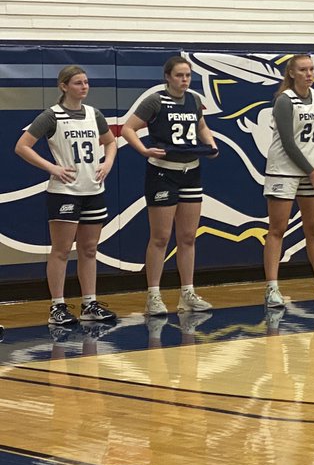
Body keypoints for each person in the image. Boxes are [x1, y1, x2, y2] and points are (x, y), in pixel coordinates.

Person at [15, 65, 118, 326]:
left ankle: (89, 303)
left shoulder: (94, 114)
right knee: (61, 251)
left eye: (86, 82)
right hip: (64, 192)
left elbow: (111, 142)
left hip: (93, 190)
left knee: (89, 249)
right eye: (78, 83)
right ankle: (57, 307)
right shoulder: (52, 116)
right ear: (63, 86)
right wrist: (52, 168)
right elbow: (22, 146)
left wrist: (107, 163)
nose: (84, 87)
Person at [121, 56, 218, 317]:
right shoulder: (155, 100)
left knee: (187, 237)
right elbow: (128, 128)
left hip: (192, 172)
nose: (184, 80)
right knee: (161, 236)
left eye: (187, 75)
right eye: (179, 75)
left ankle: (187, 293)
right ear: (167, 77)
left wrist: (210, 144)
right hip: (163, 173)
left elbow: (201, 125)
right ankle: (153, 295)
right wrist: (143, 149)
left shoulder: (194, 100)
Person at [262, 54, 314, 308]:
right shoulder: (284, 101)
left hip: (312, 169)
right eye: (303, 70)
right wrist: (311, 170)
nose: (309, 73)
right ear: (292, 73)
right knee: (278, 229)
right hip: (284, 170)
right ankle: (272, 288)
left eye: (311, 69)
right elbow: (288, 143)